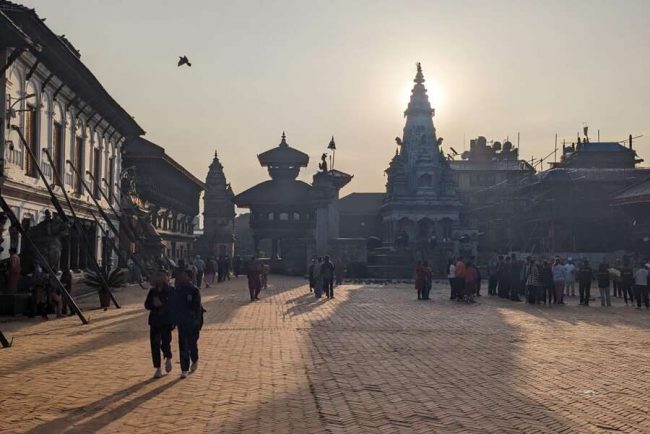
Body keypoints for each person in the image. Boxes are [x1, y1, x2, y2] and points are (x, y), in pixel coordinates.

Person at [145, 268, 175, 379]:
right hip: (155, 321)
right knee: (155, 345)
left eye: (163, 276)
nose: (160, 278)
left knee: (166, 343)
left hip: (166, 321)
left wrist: (162, 305)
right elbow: (147, 305)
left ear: (167, 277)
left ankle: (168, 357)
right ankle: (157, 368)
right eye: (158, 276)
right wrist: (153, 305)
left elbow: (174, 305)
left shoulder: (171, 290)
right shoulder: (153, 291)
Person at [173, 264, 202, 379]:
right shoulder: (178, 289)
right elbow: (174, 306)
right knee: (183, 344)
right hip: (182, 321)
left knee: (192, 344)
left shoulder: (194, 290)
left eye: (183, 275)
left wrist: (197, 322)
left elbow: (197, 308)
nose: (181, 276)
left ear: (189, 277)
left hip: (192, 322)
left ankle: (194, 359)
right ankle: (184, 368)